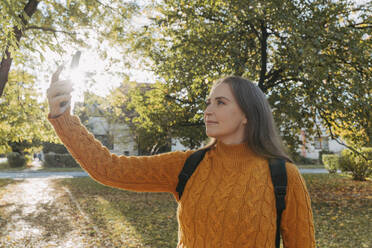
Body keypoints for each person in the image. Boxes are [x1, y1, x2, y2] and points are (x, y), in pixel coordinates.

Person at [47, 67, 315, 247]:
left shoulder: (283, 176)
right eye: (208, 102)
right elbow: (108, 169)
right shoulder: (188, 165)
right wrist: (63, 118)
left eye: (220, 103)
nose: (208, 110)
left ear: (247, 114)